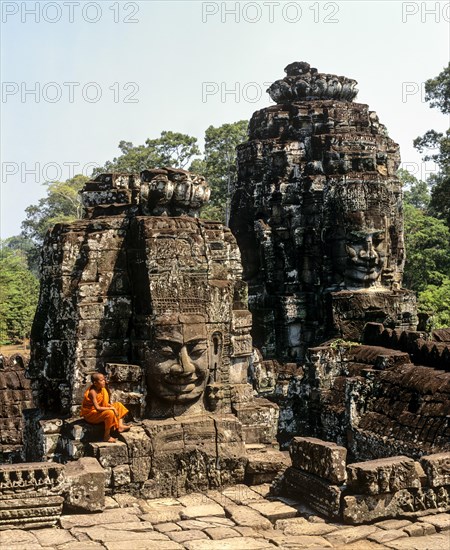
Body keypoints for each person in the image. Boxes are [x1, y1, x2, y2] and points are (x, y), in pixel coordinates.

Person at [80, 373, 130, 443]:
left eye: (104, 379)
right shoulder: (92, 392)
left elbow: (105, 403)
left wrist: (110, 406)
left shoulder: (102, 389)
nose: (104, 381)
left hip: (98, 411)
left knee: (119, 405)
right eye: (101, 380)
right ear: (95, 383)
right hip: (90, 414)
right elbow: (97, 408)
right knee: (110, 413)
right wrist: (112, 408)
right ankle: (106, 436)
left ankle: (120, 426)